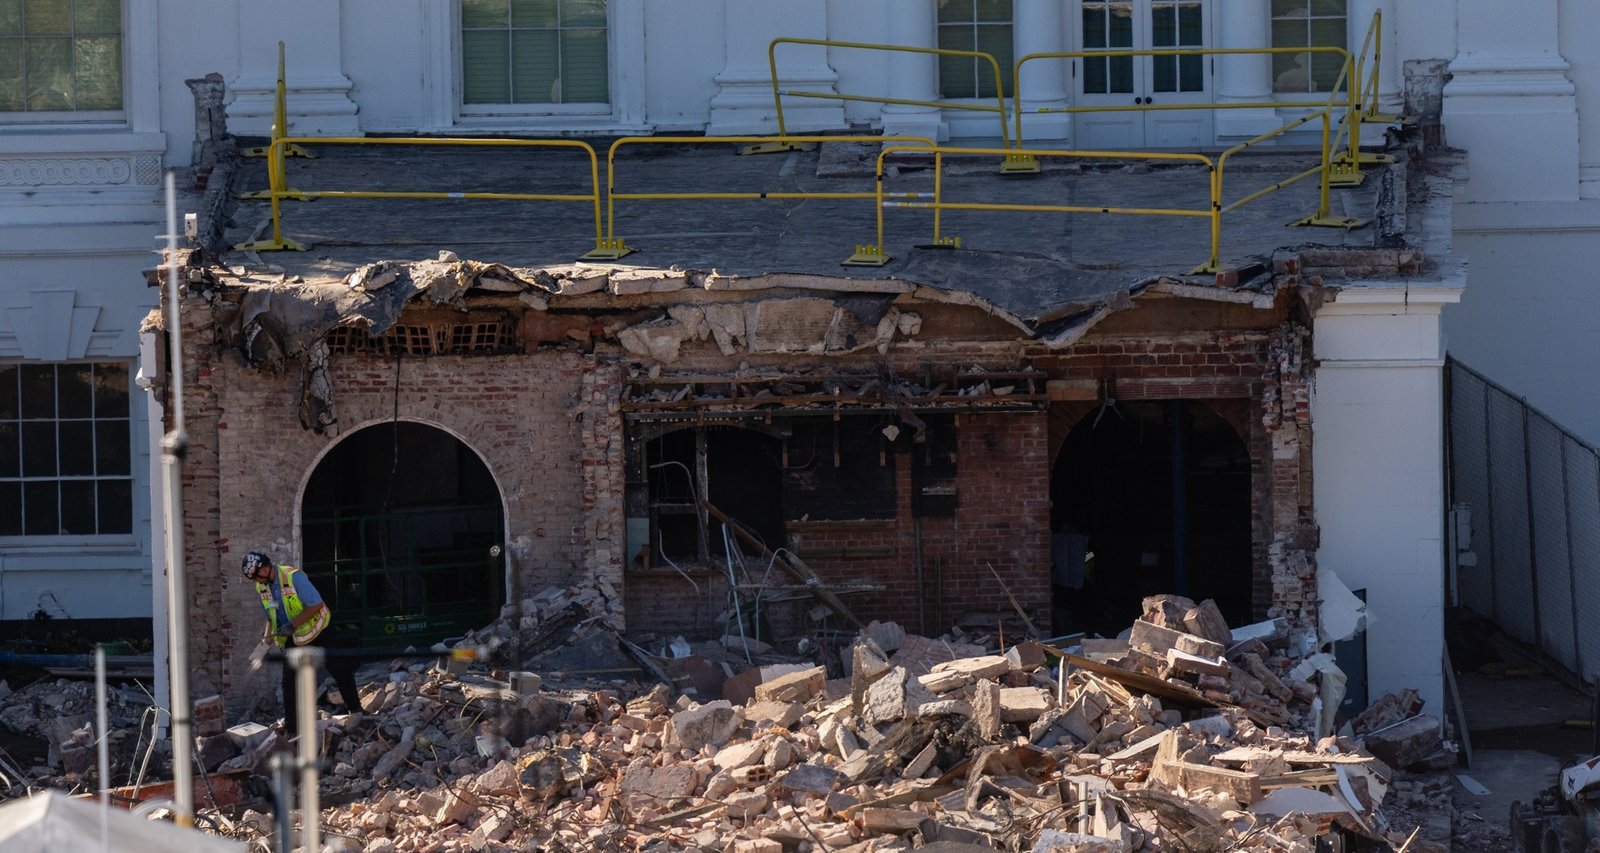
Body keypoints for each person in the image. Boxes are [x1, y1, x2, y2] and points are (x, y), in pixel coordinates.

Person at [242, 551, 366, 737]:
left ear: (265, 569)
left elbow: (315, 604)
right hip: (295, 637)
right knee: (289, 684)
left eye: (257, 577)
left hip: (319, 630)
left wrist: (293, 624)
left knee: (340, 668)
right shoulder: (262, 588)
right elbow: (269, 617)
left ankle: (355, 711)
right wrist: (266, 639)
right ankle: (292, 730)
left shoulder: (293, 577)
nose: (257, 582)